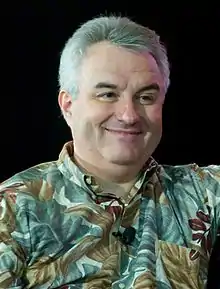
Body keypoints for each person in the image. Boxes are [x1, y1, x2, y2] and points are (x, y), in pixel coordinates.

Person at [0, 15, 219, 289]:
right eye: (107, 94)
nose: (129, 115)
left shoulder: (203, 193)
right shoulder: (13, 206)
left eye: (146, 97)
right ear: (68, 105)